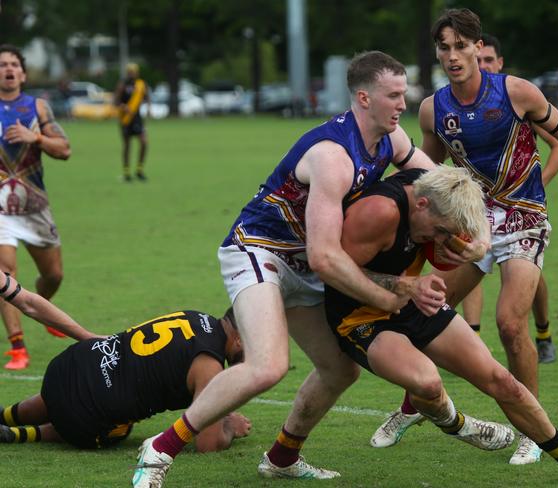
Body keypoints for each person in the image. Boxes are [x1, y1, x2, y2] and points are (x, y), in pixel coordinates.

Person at [131, 50, 487, 488]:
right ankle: (161, 449)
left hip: (302, 262)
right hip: (260, 251)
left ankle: (282, 458)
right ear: (363, 97)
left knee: (340, 369)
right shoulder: (332, 157)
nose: (403, 103)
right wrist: (391, 294)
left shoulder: (391, 141)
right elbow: (325, 258)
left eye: (404, 93)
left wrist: (480, 236)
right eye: (393, 95)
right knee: (267, 367)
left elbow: (450, 188)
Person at [372, 8, 558, 466]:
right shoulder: (433, 109)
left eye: (462, 46)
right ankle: (415, 404)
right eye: (445, 47)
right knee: (428, 313)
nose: (453, 55)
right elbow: (422, 171)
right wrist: (372, 200)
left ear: (480, 48)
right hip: (474, 224)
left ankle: (532, 433)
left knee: (508, 323)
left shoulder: (516, 91)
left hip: (524, 217)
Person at [329, 166, 558, 483]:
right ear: (423, 205)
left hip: (411, 300)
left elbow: (476, 216)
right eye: (441, 230)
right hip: (359, 315)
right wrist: (407, 286)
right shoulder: (379, 212)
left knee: (502, 380)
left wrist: (478, 245)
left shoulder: (438, 190)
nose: (443, 239)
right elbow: (335, 271)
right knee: (427, 383)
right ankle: (459, 425)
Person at [0, 272, 251, 455]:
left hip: (67, 365)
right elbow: (208, 445)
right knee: (118, 425)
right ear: (239, 340)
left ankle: (8, 416)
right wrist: (229, 427)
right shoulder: (210, 366)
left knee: (90, 383)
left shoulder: (195, 316)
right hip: (84, 416)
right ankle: (29, 433)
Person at [461, 33, 558, 364]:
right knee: (469, 260)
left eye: (488, 60)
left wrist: (536, 183)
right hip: (478, 209)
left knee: (530, 283)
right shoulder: (457, 104)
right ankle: (473, 338)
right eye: (478, 61)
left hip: (521, 213)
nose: (482, 66)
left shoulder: (514, 98)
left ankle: (543, 331)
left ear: (500, 62)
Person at [0, 44, 72, 370]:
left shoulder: (38, 108)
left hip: (35, 206)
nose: (8, 69)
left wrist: (36, 139)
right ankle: (18, 347)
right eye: (2, 65)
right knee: (6, 272)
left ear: (23, 73)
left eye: (14, 64)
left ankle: (43, 310)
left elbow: (65, 150)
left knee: (53, 275)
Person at [114, 62, 149, 182]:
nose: (132, 73)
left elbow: (147, 97)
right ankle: (126, 172)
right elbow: (115, 101)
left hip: (137, 118)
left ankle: (139, 170)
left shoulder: (141, 84)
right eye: (130, 71)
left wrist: (149, 109)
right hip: (125, 119)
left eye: (134, 71)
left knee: (144, 142)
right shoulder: (122, 85)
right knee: (127, 146)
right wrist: (124, 107)